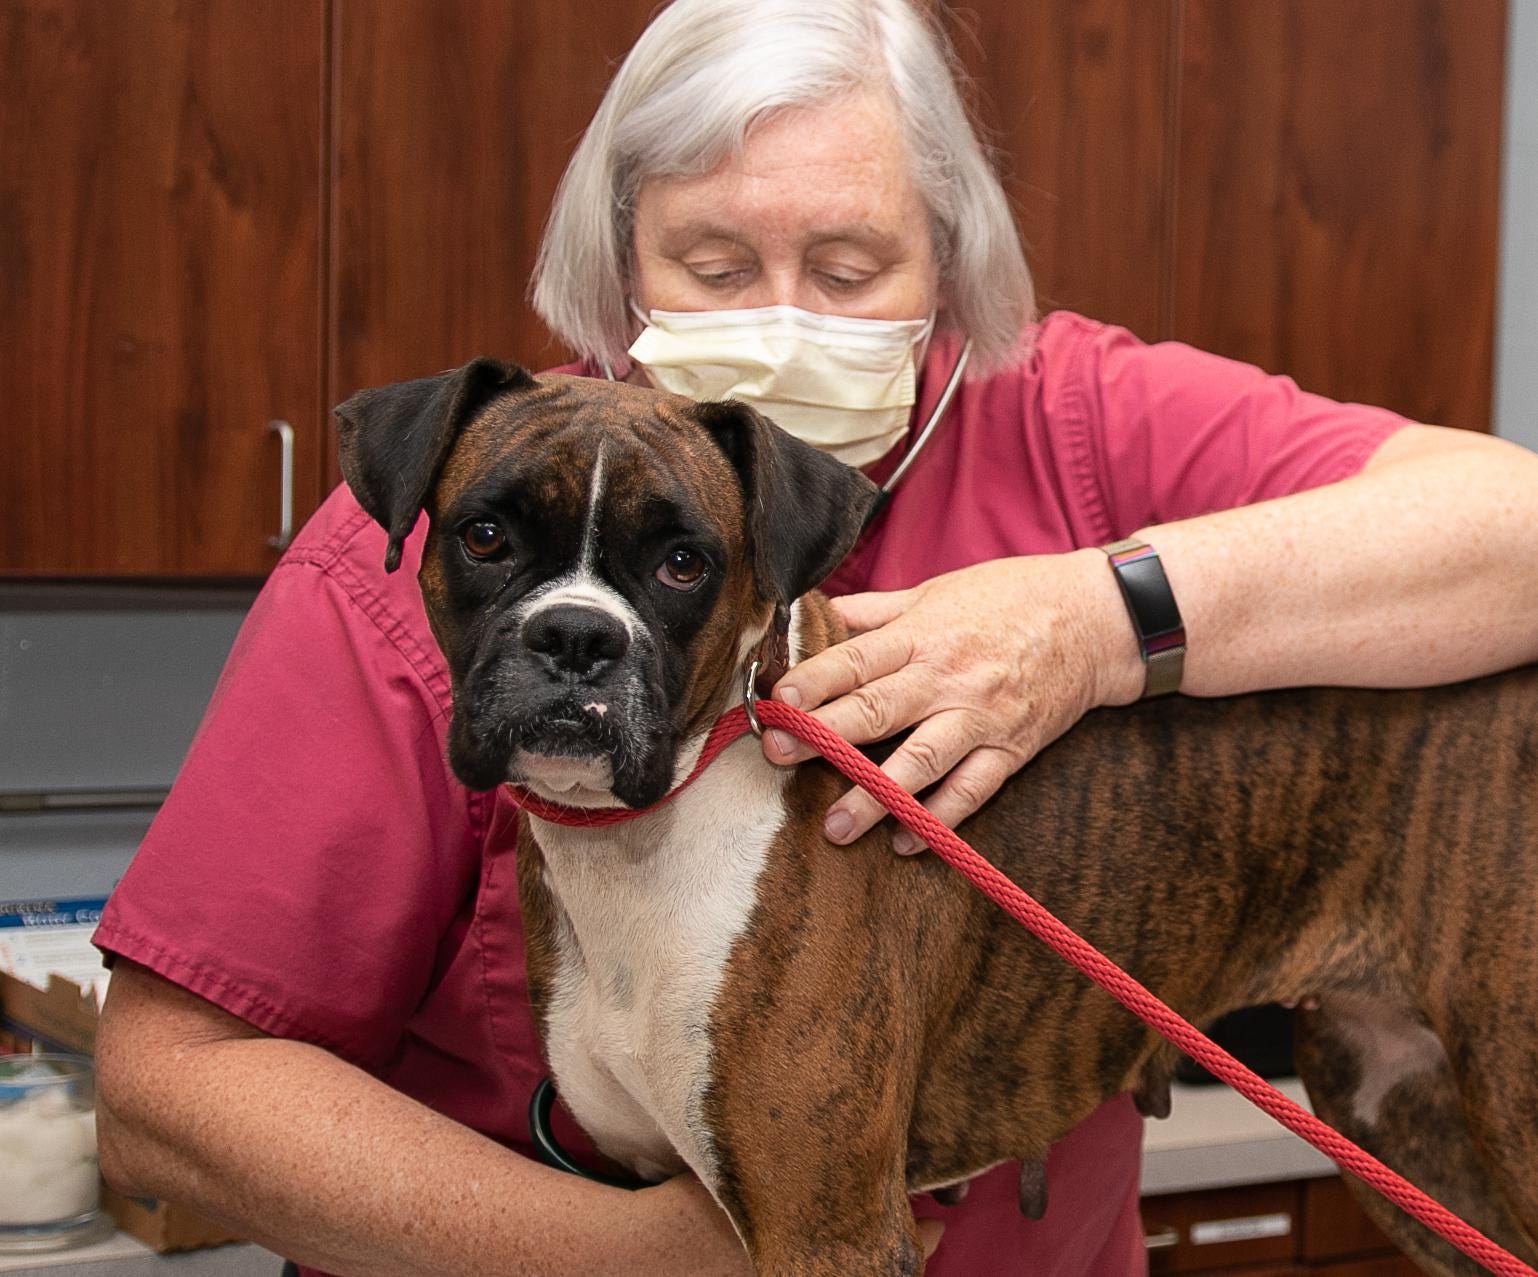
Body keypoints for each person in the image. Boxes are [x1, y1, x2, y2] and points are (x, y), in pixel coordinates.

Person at [92, 0, 1538, 1274]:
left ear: (951, 266)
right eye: (713, 263)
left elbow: (1509, 528)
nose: (783, 322)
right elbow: (170, 1090)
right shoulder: (461, 503)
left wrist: (1099, 616)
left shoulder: (1078, 421)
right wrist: (626, 1257)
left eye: (849, 269)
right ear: (617, 264)